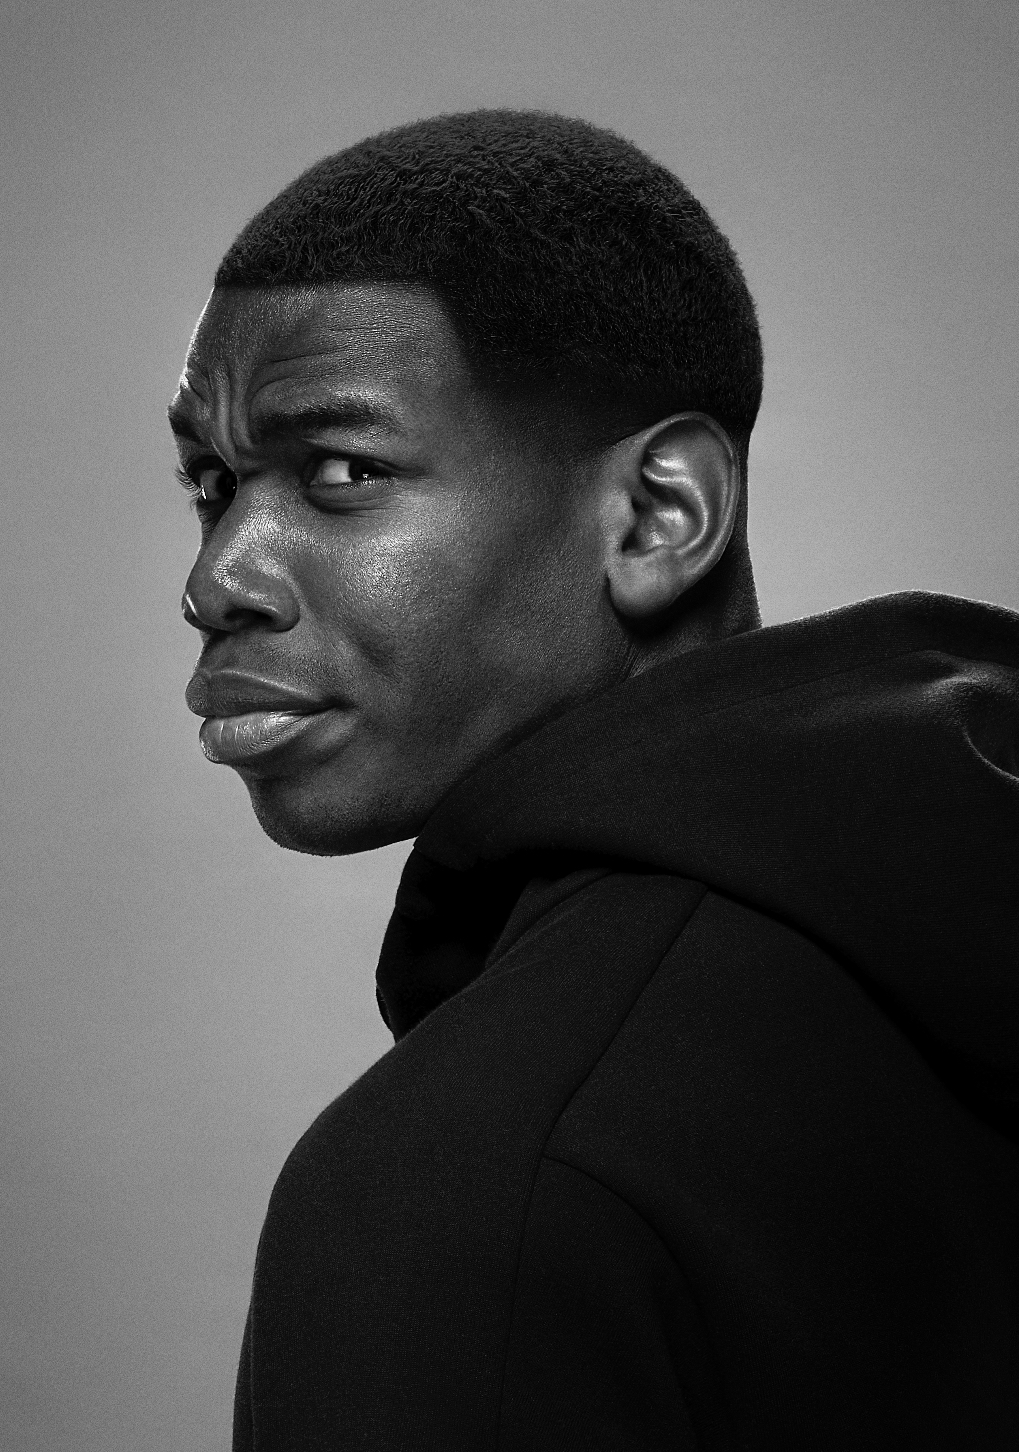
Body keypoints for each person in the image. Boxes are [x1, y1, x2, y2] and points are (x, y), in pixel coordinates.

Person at [172, 110, 1019, 1449]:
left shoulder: (474, 1188)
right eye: (213, 482)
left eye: (341, 471)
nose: (217, 577)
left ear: (660, 514)